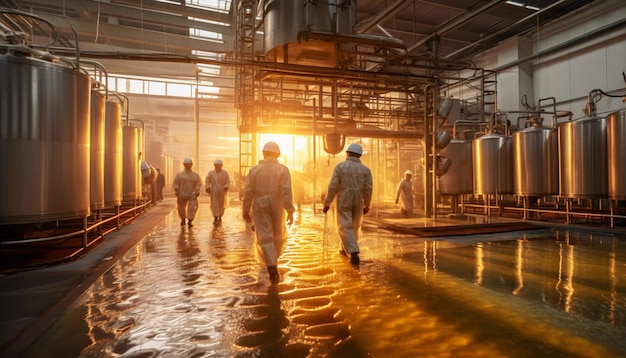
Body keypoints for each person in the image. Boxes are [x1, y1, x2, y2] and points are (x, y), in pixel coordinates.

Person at [242, 142, 295, 283]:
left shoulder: (254, 170)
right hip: (277, 204)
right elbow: (286, 192)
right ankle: (273, 262)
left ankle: (272, 266)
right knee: (278, 234)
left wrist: (245, 209)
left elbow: (249, 192)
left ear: (263, 153)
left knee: (265, 236)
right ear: (277, 154)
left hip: (259, 204)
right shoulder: (283, 170)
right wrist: (290, 210)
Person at [322, 143, 373, 265]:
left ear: (347, 153)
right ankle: (344, 249)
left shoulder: (340, 167)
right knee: (354, 226)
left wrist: (327, 202)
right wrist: (367, 204)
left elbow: (333, 186)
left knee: (345, 225)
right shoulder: (366, 170)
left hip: (344, 198)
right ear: (359, 155)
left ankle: (353, 252)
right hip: (358, 200)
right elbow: (368, 189)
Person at [173, 157, 202, 227]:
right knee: (181, 208)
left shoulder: (195, 175)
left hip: (192, 194)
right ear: (184, 165)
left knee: (192, 208)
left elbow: (198, 183)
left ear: (192, 165)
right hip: (181, 193)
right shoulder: (180, 174)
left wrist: (197, 190)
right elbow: (176, 182)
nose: (187, 166)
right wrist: (176, 190)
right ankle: (183, 219)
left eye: (189, 164)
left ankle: (190, 220)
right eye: (186, 164)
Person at [205, 159, 231, 224]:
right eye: (216, 165)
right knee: (214, 204)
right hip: (214, 191)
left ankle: (220, 216)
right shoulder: (211, 173)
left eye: (219, 165)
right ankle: (215, 217)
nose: (217, 167)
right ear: (214, 165)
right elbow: (207, 180)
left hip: (222, 191)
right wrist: (207, 187)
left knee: (221, 204)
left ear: (221, 165)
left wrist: (226, 187)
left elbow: (227, 181)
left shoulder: (225, 173)